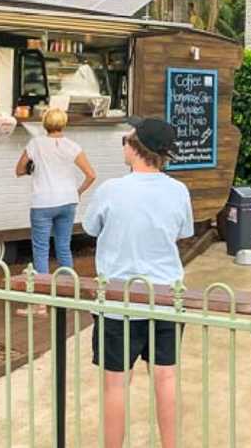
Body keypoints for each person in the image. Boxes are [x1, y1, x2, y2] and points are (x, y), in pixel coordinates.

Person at [82, 117, 193, 448]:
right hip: (166, 295)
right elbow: (183, 232)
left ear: (135, 148)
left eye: (127, 140)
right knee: (166, 376)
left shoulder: (111, 190)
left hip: (119, 298)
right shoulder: (178, 190)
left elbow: (90, 228)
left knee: (116, 383)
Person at [15, 108, 96, 316]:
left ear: (44, 124)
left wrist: (33, 168)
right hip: (67, 201)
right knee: (63, 246)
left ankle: (40, 303)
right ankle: (68, 294)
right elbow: (91, 175)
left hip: (43, 201)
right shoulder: (72, 146)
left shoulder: (36, 144)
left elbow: (19, 170)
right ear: (64, 124)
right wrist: (77, 192)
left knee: (41, 250)